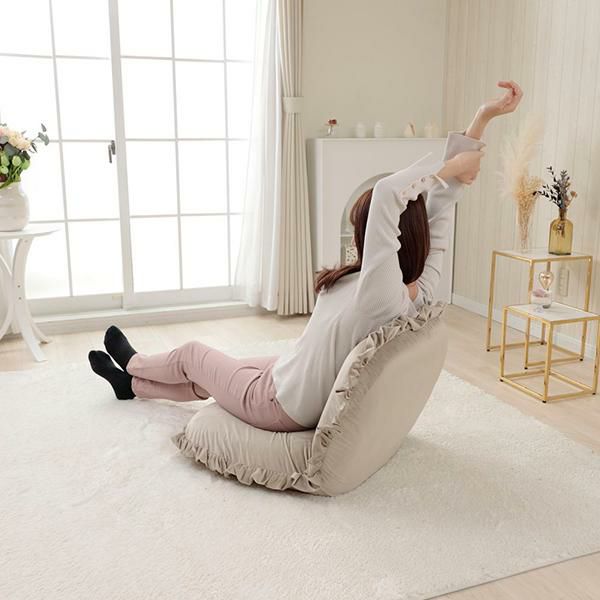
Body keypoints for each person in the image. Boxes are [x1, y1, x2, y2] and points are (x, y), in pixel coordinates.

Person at [88, 81, 523, 433]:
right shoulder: (419, 287)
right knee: (216, 372)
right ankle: (132, 386)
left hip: (278, 404)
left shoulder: (382, 294)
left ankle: (134, 362)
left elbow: (389, 193)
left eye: (365, 229)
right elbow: (442, 211)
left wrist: (447, 170)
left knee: (192, 355)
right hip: (289, 375)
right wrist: (482, 118)